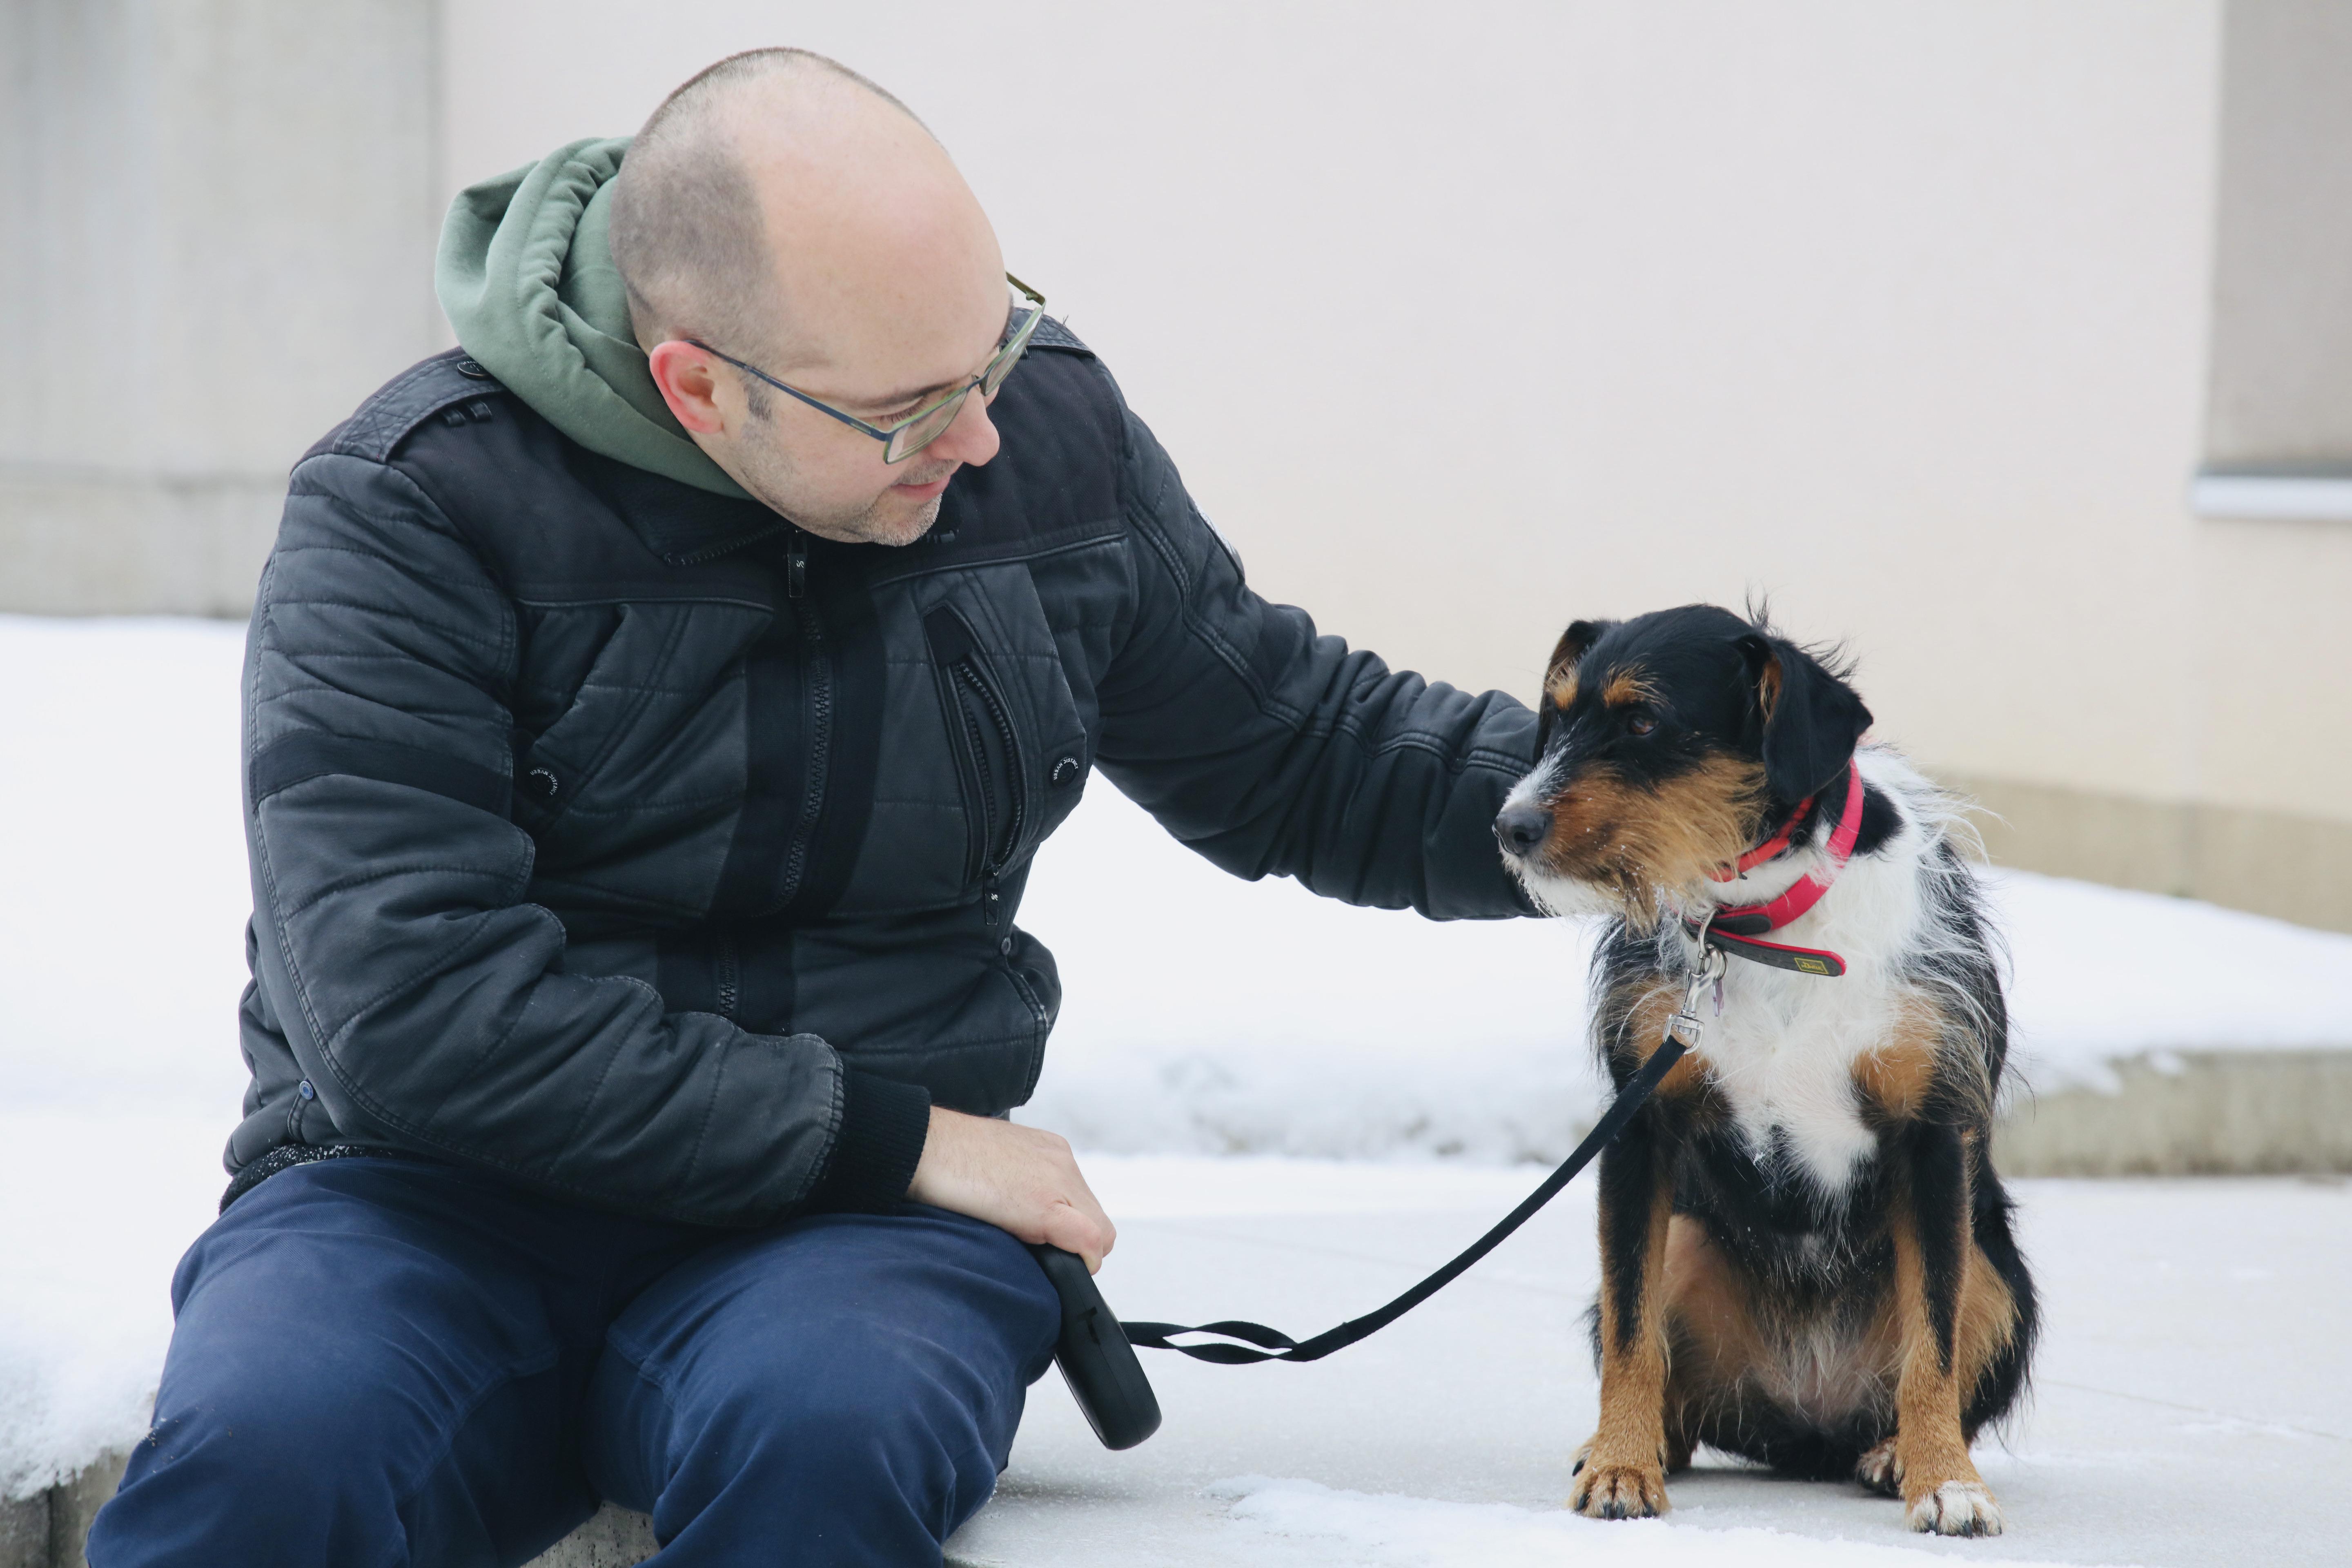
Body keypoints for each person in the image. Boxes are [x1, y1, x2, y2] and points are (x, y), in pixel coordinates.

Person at [89, 47, 1535, 1568]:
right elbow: (412, 1012)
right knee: (267, 1465)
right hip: (431, 1205)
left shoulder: (1042, 449)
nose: (979, 436)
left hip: (843, 1249)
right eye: (912, 409)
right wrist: (893, 1139)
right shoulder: (412, 509)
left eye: (995, 351)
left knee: (825, 1450)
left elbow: (1307, 750)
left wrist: (1692, 817)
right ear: (698, 382)